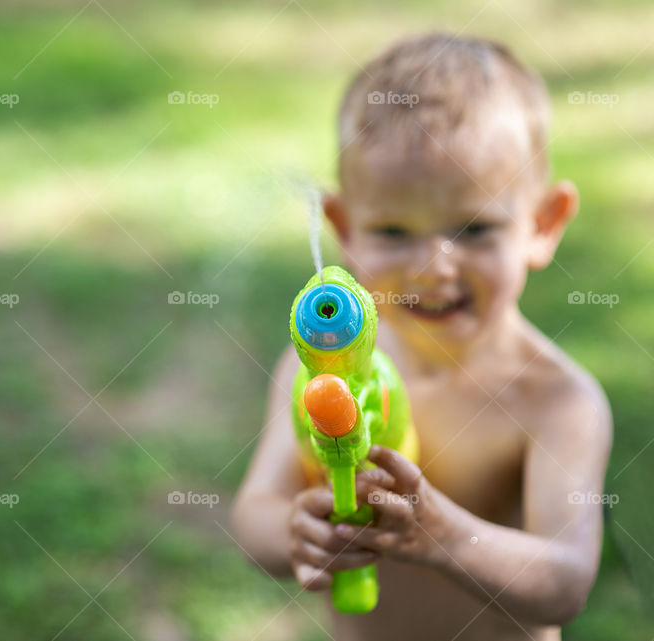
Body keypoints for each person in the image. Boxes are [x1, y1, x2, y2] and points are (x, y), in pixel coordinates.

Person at [230, 32, 612, 641]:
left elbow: (564, 582)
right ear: (344, 229)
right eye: (392, 231)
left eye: (475, 228)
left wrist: (440, 535)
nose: (434, 266)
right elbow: (255, 515)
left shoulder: (557, 399)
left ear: (543, 225)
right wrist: (295, 532)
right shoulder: (318, 376)